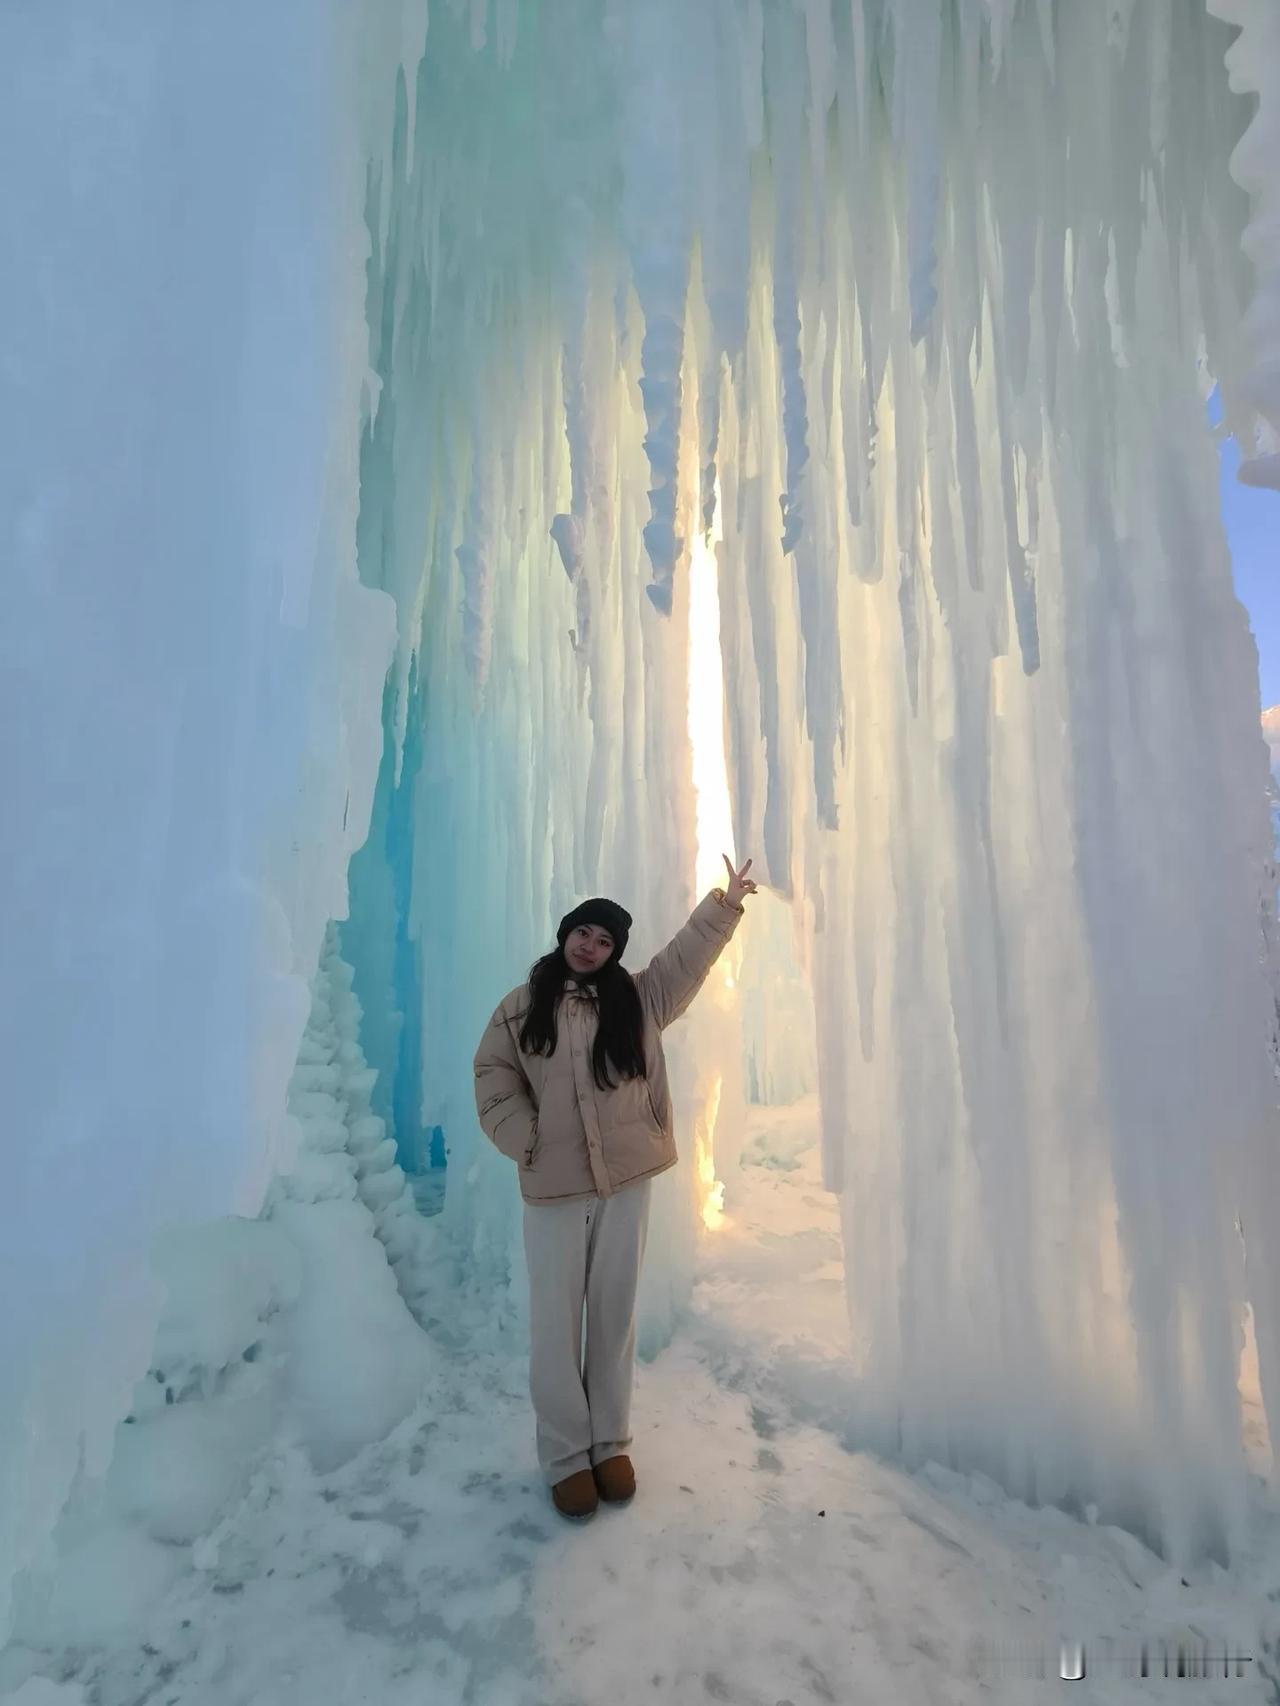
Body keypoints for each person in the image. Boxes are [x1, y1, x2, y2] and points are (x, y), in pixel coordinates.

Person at [473, 854, 757, 1521]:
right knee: (555, 1322)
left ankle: (609, 1444)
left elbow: (684, 961)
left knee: (612, 1316)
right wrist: (528, 1140)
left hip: (626, 1181)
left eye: (603, 940)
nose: (589, 945)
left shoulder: (638, 998)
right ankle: (567, 1455)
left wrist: (724, 905)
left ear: (613, 951)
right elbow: (492, 1078)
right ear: (564, 935)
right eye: (582, 933)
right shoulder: (520, 1009)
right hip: (556, 1189)